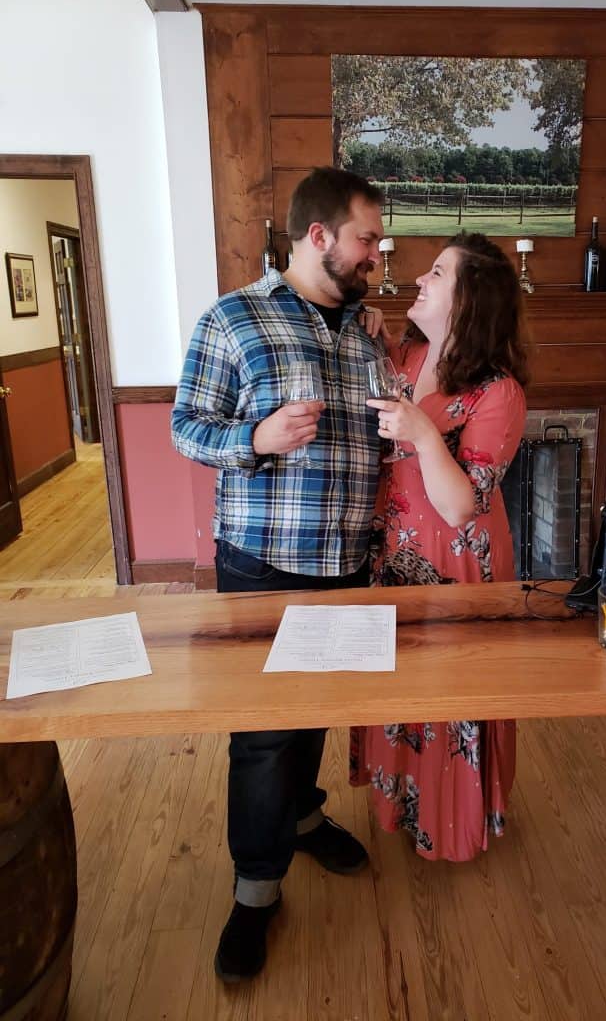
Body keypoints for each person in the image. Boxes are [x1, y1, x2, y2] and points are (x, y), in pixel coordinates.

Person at [171, 167, 386, 982]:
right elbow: (186, 427)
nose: (378, 254)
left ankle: (300, 816)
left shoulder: (369, 332)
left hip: (348, 560)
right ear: (319, 237)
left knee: (319, 707)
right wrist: (255, 440)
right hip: (262, 562)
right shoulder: (233, 319)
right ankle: (256, 889)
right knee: (262, 732)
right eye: (368, 238)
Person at [350, 231, 529, 863]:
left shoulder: (498, 393)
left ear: (469, 299)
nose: (420, 281)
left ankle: (454, 822)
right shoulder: (402, 357)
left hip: (458, 567)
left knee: (450, 696)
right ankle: (401, 804)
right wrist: (363, 328)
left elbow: (461, 505)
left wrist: (425, 435)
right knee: (400, 684)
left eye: (436, 273)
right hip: (395, 553)